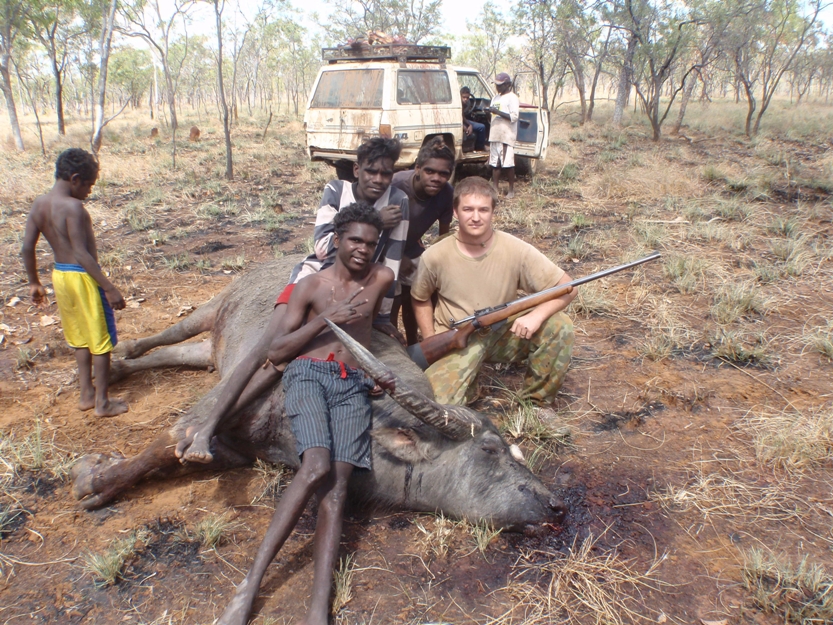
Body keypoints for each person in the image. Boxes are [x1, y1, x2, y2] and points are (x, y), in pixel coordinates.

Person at [208, 203, 395, 625]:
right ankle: (249, 586)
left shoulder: (382, 278)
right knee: (315, 467)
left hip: (353, 383)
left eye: (371, 243)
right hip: (309, 373)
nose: (363, 250)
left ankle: (318, 607)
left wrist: (376, 371)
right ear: (337, 240)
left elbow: (370, 330)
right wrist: (325, 320)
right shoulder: (310, 285)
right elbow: (277, 351)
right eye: (355, 241)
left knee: (338, 489)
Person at [174, 137, 409, 460]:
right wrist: (376, 220)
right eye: (371, 171)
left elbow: (393, 259)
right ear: (357, 169)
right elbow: (322, 246)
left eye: (386, 173)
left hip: (354, 288)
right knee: (264, 353)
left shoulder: (398, 200)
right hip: (312, 281)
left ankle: (212, 428)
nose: (378, 180)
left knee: (280, 368)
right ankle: (206, 427)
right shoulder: (336, 190)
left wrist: (382, 316)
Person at [410, 176, 576, 406]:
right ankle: (469, 385)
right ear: (455, 212)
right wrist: (432, 340)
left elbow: (567, 287)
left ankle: (537, 404)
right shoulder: (434, 255)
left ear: (493, 213)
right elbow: (420, 299)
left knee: (560, 325)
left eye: (483, 210)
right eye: (468, 209)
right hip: (457, 336)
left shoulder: (516, 248)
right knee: (438, 405)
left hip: (505, 332)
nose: (476, 217)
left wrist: (536, 316)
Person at [21, 148, 128, 417]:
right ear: (75, 179)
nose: (89, 192)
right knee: (101, 341)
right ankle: (102, 403)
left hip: (61, 276)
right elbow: (81, 253)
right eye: (89, 185)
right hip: (83, 278)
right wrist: (109, 287)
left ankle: (86, 394)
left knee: (80, 338)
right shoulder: (74, 208)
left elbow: (26, 247)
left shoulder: (39, 204)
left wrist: (34, 282)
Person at [390, 137, 454, 345]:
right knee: (392, 298)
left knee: (422, 290)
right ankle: (392, 344)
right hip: (384, 247)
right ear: (417, 168)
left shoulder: (447, 194)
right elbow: (375, 229)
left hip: (411, 246)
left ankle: (413, 341)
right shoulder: (396, 185)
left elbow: (443, 237)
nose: (436, 178)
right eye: (430, 171)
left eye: (443, 174)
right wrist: (398, 257)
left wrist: (436, 266)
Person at [487, 72, 520, 199]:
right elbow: (492, 117)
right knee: (495, 164)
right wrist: (489, 112)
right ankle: (495, 189)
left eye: (500, 85)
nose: (497, 87)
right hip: (495, 134)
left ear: (507, 84)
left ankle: (511, 190)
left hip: (506, 136)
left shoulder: (512, 98)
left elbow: (514, 117)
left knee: (508, 164)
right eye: (496, 85)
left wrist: (497, 112)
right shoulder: (495, 98)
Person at [461, 86, 487, 151]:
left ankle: (479, 147)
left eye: (467, 98)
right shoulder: (457, 104)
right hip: (458, 122)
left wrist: (470, 125)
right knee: (481, 127)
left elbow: (462, 116)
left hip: (462, 120)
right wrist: (462, 126)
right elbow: (457, 118)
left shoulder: (465, 104)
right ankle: (480, 148)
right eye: (464, 97)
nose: (466, 99)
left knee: (481, 127)